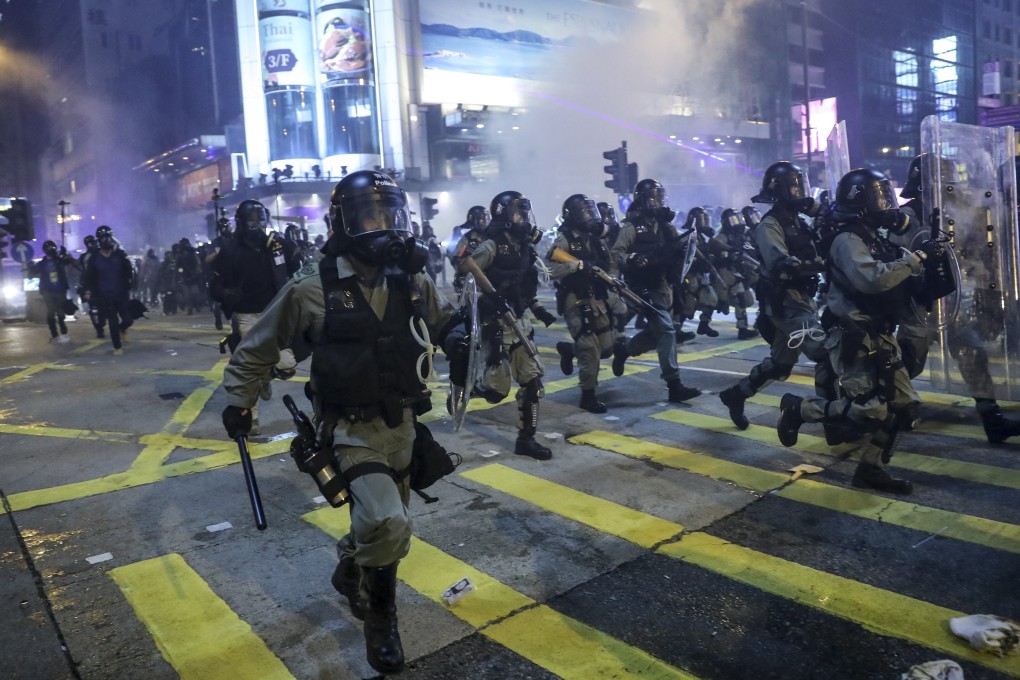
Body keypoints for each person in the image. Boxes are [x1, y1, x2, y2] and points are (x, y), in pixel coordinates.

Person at [221, 170, 462, 675]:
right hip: (348, 430)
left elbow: (446, 322)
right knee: (387, 522)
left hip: (405, 427)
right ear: (345, 223)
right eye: (372, 216)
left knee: (380, 529)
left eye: (392, 214)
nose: (386, 227)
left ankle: (351, 571)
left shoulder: (413, 280)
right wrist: (241, 401)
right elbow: (259, 346)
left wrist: (461, 342)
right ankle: (382, 620)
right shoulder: (310, 289)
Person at [777, 168, 922, 494]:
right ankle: (799, 409)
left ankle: (871, 469)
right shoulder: (847, 239)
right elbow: (870, 279)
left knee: (905, 406)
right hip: (853, 336)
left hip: (880, 334)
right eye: (879, 197)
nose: (886, 204)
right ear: (860, 201)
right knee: (872, 410)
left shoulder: (871, 236)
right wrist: (913, 262)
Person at [893, 154, 1020, 443]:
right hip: (920, 304)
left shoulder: (955, 213)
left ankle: (992, 419)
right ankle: (886, 408)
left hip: (950, 300)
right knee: (909, 362)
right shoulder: (910, 217)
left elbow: (971, 248)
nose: (948, 185)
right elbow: (898, 258)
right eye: (941, 178)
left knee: (972, 354)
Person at [718, 161, 828, 430]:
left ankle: (736, 395)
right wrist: (821, 265)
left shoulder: (798, 222)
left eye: (800, 185)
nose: (800, 191)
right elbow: (782, 263)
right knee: (825, 353)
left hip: (800, 298)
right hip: (787, 304)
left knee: (780, 364)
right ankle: (833, 419)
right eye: (794, 186)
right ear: (780, 191)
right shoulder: (770, 225)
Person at [457, 190, 554, 460]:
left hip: (519, 320)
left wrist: (536, 307)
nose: (523, 218)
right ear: (505, 215)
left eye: (524, 212)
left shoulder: (524, 246)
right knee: (498, 392)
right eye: (517, 212)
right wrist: (489, 300)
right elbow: (466, 275)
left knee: (533, 382)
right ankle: (476, 384)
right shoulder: (491, 245)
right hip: (496, 324)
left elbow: (528, 283)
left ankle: (526, 439)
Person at [210, 199, 301, 434]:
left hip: (278, 313)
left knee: (286, 365)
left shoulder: (279, 245)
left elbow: (299, 273)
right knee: (250, 367)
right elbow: (214, 284)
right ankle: (251, 418)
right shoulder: (230, 250)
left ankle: (265, 378)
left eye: (261, 219)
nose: (257, 224)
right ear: (241, 222)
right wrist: (226, 294)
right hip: (246, 315)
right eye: (252, 219)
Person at [610, 178, 701, 403]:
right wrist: (633, 258)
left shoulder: (665, 226)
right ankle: (674, 384)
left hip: (662, 284)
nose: (659, 202)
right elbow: (617, 254)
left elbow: (680, 249)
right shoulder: (631, 227)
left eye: (661, 197)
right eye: (654, 198)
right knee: (667, 331)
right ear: (643, 200)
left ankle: (625, 350)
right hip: (640, 287)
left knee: (657, 333)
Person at [548, 194, 615, 413]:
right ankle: (588, 395)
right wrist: (576, 266)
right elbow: (551, 269)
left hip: (596, 296)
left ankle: (568, 350)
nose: (590, 217)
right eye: (585, 213)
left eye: (591, 211)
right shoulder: (564, 240)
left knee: (606, 348)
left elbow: (609, 264)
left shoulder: (595, 239)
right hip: (574, 299)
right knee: (590, 349)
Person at [81, 225, 135, 355]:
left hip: (121, 293)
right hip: (104, 296)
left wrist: (130, 284)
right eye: (102, 238)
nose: (106, 241)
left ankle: (123, 329)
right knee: (112, 322)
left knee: (128, 319)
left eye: (107, 238)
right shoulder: (94, 259)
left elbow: (129, 272)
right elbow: (89, 276)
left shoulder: (119, 255)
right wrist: (88, 291)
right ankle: (117, 347)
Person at [717, 208, 760, 340]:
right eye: (733, 219)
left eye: (738, 219)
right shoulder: (722, 236)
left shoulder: (745, 234)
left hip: (746, 269)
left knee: (750, 299)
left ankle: (761, 321)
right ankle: (742, 328)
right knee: (741, 298)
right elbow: (718, 251)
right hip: (731, 271)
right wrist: (729, 255)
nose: (737, 223)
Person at [34, 240, 74, 344]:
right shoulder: (42, 263)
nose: (50, 251)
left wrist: (65, 254)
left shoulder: (59, 260)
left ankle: (64, 332)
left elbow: (69, 262)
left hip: (60, 290)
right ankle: (55, 335)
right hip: (48, 291)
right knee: (51, 312)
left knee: (60, 312)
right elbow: (34, 271)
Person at [448, 206, 490, 294]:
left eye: (485, 219)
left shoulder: (493, 236)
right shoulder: (467, 238)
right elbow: (457, 258)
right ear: (474, 221)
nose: (484, 223)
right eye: (481, 220)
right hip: (472, 278)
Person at [77, 234, 106, 338]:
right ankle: (99, 329)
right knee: (93, 308)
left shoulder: (102, 253)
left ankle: (101, 324)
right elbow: (81, 271)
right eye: (92, 243)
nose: (95, 244)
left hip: (102, 284)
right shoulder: (85, 257)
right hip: (89, 285)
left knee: (104, 307)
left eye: (95, 242)